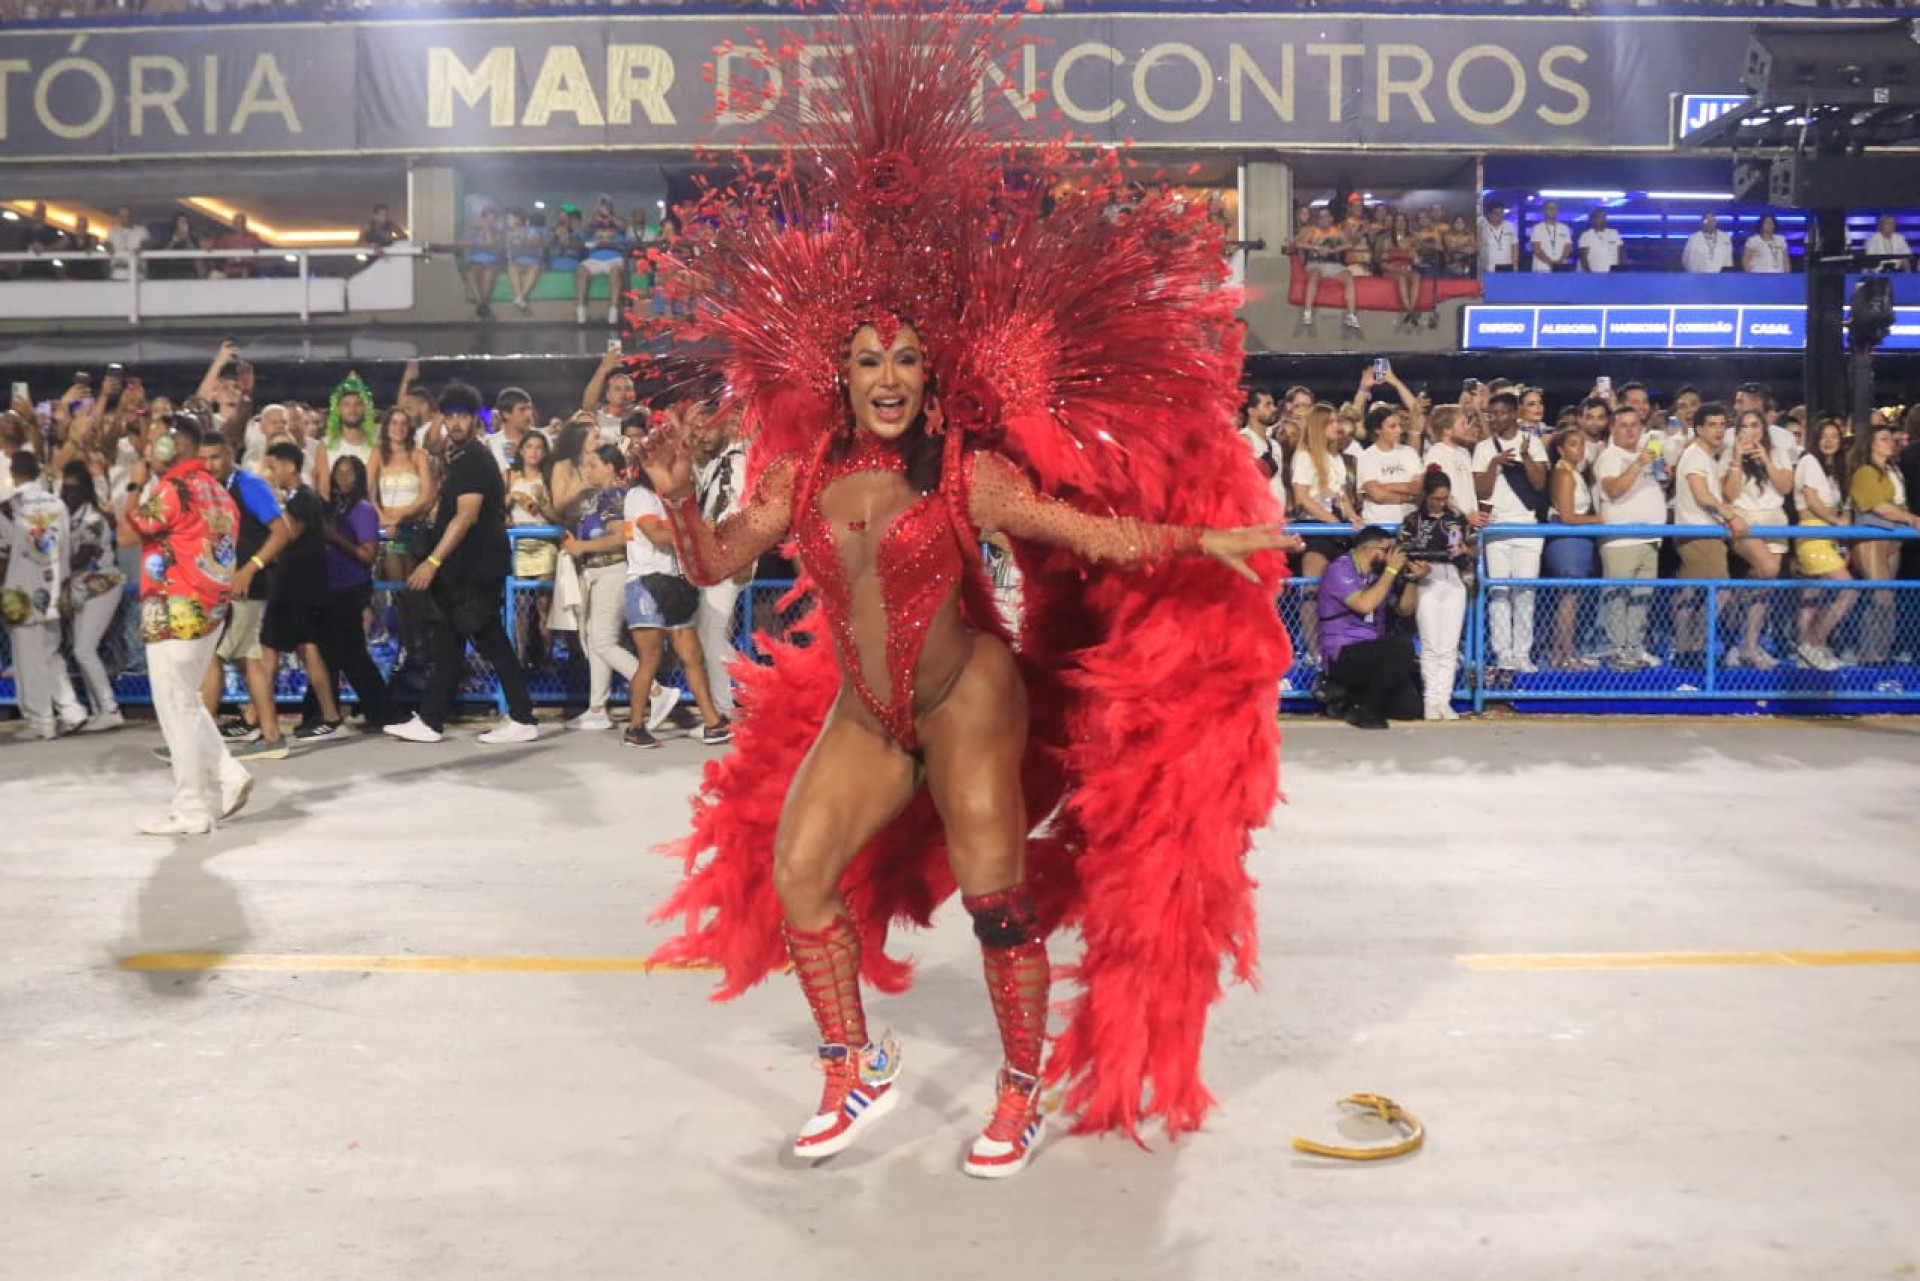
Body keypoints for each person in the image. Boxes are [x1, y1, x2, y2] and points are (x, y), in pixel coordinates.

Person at [385, 382, 539, 745]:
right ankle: (430, 720)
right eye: (449, 415)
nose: (455, 423)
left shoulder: (473, 459)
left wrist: (432, 562)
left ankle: (522, 716)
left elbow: (465, 517)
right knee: (447, 642)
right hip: (461, 568)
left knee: (491, 641)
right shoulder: (458, 458)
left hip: (475, 567)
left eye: (463, 416)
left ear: (474, 420)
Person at [121, 416, 251, 836]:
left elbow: (127, 531)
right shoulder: (218, 492)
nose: (151, 445)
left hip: (173, 605)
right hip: (210, 609)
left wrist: (133, 483)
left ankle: (192, 808)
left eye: (158, 440)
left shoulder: (172, 489)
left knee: (175, 708)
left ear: (172, 447)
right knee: (187, 702)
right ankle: (229, 773)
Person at [559, 444, 673, 733]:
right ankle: (597, 708)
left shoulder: (614, 495)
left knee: (602, 642)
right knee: (597, 639)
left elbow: (622, 537)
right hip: (600, 573)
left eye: (593, 464)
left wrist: (581, 546)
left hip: (612, 572)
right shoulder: (602, 496)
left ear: (611, 467)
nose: (588, 470)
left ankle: (657, 692)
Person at [199, 433, 294, 761]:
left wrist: (250, 568)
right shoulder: (210, 489)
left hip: (246, 587)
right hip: (225, 586)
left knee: (210, 658)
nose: (210, 465)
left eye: (215, 457)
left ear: (229, 453)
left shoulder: (249, 484)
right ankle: (271, 736)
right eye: (204, 458)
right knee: (249, 660)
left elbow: (283, 531)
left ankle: (200, 743)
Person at [0, 451, 88, 739]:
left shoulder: (8, 507)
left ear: (13, 474)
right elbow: (66, 544)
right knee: (50, 653)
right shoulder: (58, 504)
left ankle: (41, 722)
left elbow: (4, 551)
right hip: (53, 587)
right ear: (38, 472)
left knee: (29, 659)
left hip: (21, 590)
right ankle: (71, 709)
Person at [259, 442, 344, 739]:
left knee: (301, 649)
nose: (269, 473)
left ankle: (328, 717)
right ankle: (257, 716)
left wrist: (270, 498)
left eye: (273, 467)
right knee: (283, 649)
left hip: (299, 589)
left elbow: (287, 534)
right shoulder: (298, 498)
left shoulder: (304, 499)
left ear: (290, 466)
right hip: (291, 587)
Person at [308, 455, 391, 731]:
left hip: (351, 588)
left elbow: (367, 555)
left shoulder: (364, 510)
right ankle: (324, 713)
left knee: (349, 654)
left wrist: (335, 539)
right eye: (338, 474)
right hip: (330, 587)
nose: (342, 479)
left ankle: (380, 711)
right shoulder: (333, 508)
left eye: (349, 474)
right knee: (333, 653)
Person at [1313, 526, 1422, 728]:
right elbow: (1364, 605)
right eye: (1386, 550)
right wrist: (1391, 571)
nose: (1390, 556)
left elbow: (1404, 609)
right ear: (1369, 550)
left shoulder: (1379, 574)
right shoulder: (1340, 568)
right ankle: (1363, 710)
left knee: (1408, 709)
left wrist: (1412, 580)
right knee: (1402, 647)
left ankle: (1345, 700)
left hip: (1372, 650)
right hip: (1343, 652)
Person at [1473, 390, 1548, 674]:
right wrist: (1494, 463)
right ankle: (1503, 653)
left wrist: (1526, 457)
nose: (1496, 419)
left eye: (1502, 413)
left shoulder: (1534, 443)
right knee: (1499, 592)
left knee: (1525, 592)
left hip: (1527, 527)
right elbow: (1480, 490)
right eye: (1492, 414)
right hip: (1496, 528)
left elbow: (1540, 484)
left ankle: (1522, 653)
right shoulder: (1483, 448)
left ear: (1515, 413)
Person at [1670, 403, 1746, 669]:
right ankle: (1691, 648)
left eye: (1722, 424)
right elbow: (1702, 495)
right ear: (1699, 428)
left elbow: (1723, 492)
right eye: (1712, 425)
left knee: (1695, 594)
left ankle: (1689, 650)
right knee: (1717, 593)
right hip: (1697, 532)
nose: (1718, 430)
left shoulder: (1704, 457)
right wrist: (1730, 515)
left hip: (1704, 532)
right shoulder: (1695, 456)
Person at [1397, 470, 1474, 719]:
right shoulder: (1411, 521)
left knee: (1449, 645)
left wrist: (1464, 551)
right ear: (1426, 496)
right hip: (1426, 579)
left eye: (1444, 498)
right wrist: (1419, 565)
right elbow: (1403, 550)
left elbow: (1471, 551)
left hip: (1452, 578)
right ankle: (1431, 699)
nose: (1441, 503)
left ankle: (1444, 698)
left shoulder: (1458, 519)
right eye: (1436, 499)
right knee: (1431, 643)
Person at [1723, 409, 1795, 669]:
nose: (1750, 431)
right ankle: (1735, 642)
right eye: (1744, 426)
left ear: (1763, 429)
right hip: (1745, 521)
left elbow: (1785, 488)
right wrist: (1737, 460)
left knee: (1764, 586)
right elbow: (1729, 494)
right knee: (1768, 569)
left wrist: (1765, 458)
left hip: (1775, 521)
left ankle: (1750, 647)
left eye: (1755, 425)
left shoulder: (1777, 452)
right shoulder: (1730, 453)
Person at [691, 404, 750, 723]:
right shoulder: (719, 462)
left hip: (727, 556)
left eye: (708, 427)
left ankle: (726, 709)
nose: (702, 433)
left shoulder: (737, 462)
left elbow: (742, 511)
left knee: (711, 634)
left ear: (728, 427)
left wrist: (742, 556)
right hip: (716, 557)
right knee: (708, 634)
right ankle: (752, 690)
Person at [1290, 403, 1361, 665]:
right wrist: (1332, 521)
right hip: (1315, 530)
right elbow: (1302, 499)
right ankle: (1313, 650)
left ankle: (1338, 645)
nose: (1338, 426)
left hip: (1336, 530)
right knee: (1311, 587)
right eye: (1331, 422)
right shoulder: (1306, 456)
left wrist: (1351, 517)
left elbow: (1342, 497)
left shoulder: (1335, 458)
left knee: (1340, 589)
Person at [59, 459, 127, 730]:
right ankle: (100, 709)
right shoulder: (67, 517)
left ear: (86, 491)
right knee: (81, 649)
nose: (68, 495)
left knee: (83, 649)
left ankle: (110, 709)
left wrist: (49, 568)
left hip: (103, 586)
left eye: (74, 490)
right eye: (65, 489)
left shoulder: (92, 518)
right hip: (81, 588)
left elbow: (83, 556)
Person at [1847, 423, 1920, 665]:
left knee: (1885, 595)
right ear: (1871, 444)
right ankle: (1869, 653)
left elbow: (1897, 503)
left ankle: (1878, 651)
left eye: (1891, 438)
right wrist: (1911, 518)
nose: (1890, 442)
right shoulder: (1865, 471)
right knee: (1881, 596)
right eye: (1883, 439)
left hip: (1892, 537)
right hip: (1872, 534)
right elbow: (1879, 506)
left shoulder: (1892, 470)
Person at [1791, 418, 1855, 671]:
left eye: (1834, 436)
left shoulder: (1832, 471)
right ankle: (1812, 643)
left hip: (1826, 538)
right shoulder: (1809, 461)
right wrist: (1836, 521)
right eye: (1823, 436)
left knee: (1813, 595)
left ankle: (1809, 651)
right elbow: (1811, 499)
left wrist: (1840, 528)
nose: (1829, 441)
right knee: (1848, 590)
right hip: (1812, 536)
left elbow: (1840, 506)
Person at [1543, 428, 1602, 671]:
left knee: (1572, 598)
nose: (1579, 449)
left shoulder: (1575, 472)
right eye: (1573, 444)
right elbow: (1567, 516)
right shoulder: (1563, 475)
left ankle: (1562, 651)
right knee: (1568, 597)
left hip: (1578, 539)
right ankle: (1563, 654)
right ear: (1560, 450)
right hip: (1567, 539)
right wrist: (1598, 519)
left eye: (1581, 444)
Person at [1529, 200, 1573, 273]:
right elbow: (1536, 249)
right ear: (1544, 210)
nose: (1553, 211)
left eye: (1555, 208)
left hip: (1561, 267)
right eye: (1550, 208)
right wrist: (1551, 262)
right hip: (1542, 268)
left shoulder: (1564, 228)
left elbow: (1568, 247)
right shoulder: (1537, 228)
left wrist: (1559, 262)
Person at [1577, 208, 1623, 274]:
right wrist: (1590, 275)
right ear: (1593, 220)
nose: (1603, 220)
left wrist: (1621, 271)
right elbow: (1583, 258)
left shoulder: (1614, 233)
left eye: (1604, 217)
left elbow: (1621, 253)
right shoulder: (1586, 235)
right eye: (1600, 217)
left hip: (1612, 275)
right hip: (1594, 274)